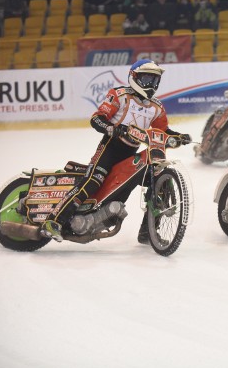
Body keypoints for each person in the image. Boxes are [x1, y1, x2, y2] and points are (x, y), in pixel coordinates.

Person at [40, 60, 191, 244]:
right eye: (146, 79)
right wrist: (112, 128)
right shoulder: (119, 95)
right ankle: (53, 221)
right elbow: (97, 118)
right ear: (134, 77)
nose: (151, 84)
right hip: (110, 148)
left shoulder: (157, 107)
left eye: (154, 80)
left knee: (156, 181)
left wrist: (179, 136)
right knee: (93, 181)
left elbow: (163, 131)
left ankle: (147, 232)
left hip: (131, 155)